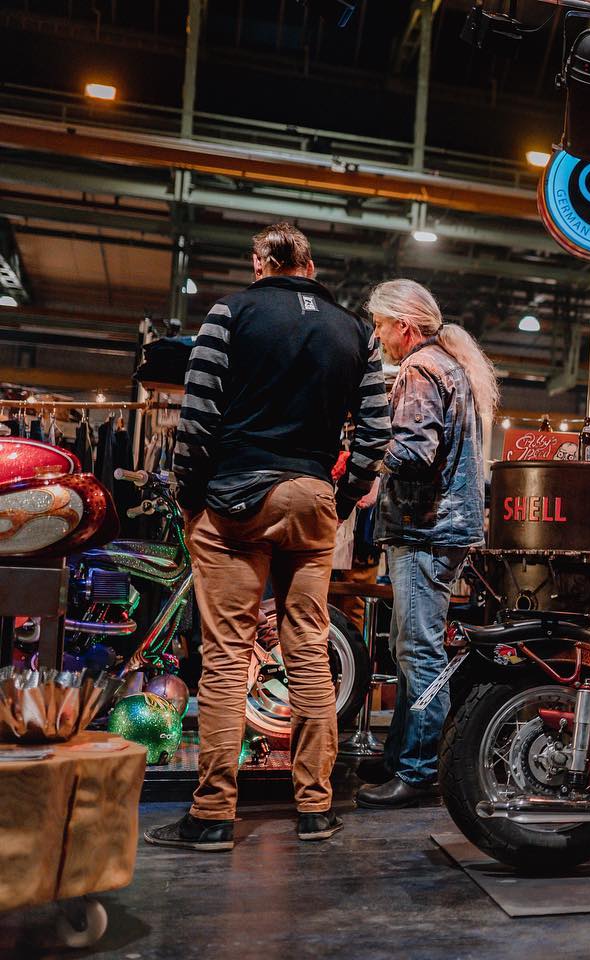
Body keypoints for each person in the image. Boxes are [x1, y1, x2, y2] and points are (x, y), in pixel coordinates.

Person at [146, 222, 390, 850]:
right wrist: (338, 493)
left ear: (261, 262)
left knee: (226, 659)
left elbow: (196, 420)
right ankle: (316, 807)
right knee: (308, 650)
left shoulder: (230, 314)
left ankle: (212, 816)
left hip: (234, 500)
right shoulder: (354, 330)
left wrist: (190, 494)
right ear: (308, 264)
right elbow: (376, 431)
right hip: (311, 500)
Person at [356, 280, 498, 808]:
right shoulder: (449, 365)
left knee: (419, 653)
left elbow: (415, 451)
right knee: (415, 648)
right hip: (440, 529)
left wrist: (368, 461)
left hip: (425, 530)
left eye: (380, 325)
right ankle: (404, 757)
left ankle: (418, 770)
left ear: (404, 326)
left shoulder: (420, 369)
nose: (378, 336)